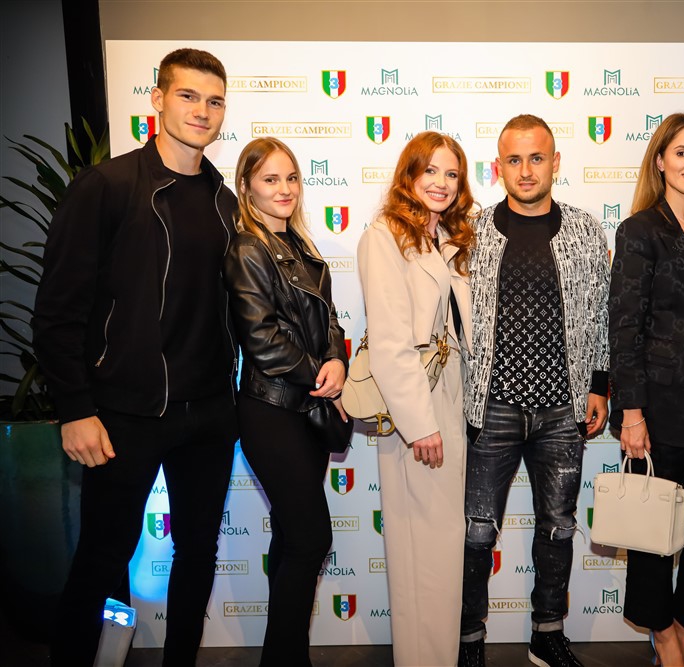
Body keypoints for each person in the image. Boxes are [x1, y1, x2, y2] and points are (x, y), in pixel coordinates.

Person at [33, 49, 239, 666]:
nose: (202, 111)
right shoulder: (107, 187)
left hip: (209, 413)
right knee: (103, 554)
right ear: (157, 99)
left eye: (214, 101)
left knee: (198, 551)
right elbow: (57, 311)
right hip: (124, 414)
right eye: (188, 96)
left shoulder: (226, 202)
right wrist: (76, 408)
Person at [459, 114, 610, 667]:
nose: (526, 170)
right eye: (514, 160)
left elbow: (602, 313)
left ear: (555, 163)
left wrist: (599, 386)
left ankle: (547, 632)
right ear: (498, 167)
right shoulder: (471, 232)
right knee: (477, 534)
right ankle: (467, 639)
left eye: (537, 158)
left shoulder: (585, 230)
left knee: (558, 528)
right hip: (491, 408)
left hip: (563, 410)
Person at [609, 113, 684, 667]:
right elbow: (624, 327)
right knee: (652, 528)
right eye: (682, 152)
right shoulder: (640, 230)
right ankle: (663, 634)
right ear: (660, 160)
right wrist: (631, 412)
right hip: (658, 409)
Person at [222, 138, 349, 666]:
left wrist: (338, 359)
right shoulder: (247, 249)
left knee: (293, 539)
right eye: (270, 179)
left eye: (291, 178)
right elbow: (263, 340)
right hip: (272, 411)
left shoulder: (301, 247)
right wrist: (321, 373)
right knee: (310, 538)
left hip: (308, 410)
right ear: (247, 186)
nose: (284, 189)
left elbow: (331, 320)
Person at [356, 131, 475, 667]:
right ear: (409, 174)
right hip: (417, 406)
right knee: (420, 551)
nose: (442, 183)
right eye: (431, 171)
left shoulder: (449, 237)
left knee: (442, 549)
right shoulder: (384, 236)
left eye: (452, 174)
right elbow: (388, 343)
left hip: (453, 400)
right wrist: (420, 424)